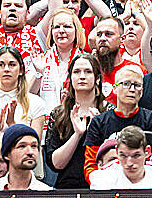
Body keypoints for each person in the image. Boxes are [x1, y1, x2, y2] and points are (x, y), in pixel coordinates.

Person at [85, 63, 152, 183]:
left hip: (145, 185)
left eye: (137, 85)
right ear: (114, 88)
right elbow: (90, 166)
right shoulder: (99, 122)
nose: (132, 89)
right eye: (126, 84)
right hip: (107, 186)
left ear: (142, 91)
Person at [45, 54, 106, 189]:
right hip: (67, 188)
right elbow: (55, 164)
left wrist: (96, 130)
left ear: (97, 78)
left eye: (88, 72)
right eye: (77, 72)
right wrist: (77, 135)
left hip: (102, 188)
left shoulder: (108, 112)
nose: (82, 76)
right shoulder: (59, 114)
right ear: (70, 78)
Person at [90, 125, 152, 189]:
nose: (129, 163)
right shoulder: (101, 178)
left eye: (136, 155)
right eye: (123, 155)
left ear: (147, 152)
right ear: (117, 151)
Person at [0, 123, 51, 191]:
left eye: (34, 146)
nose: (30, 152)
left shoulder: (47, 194)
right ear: (6, 154)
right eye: (22, 146)